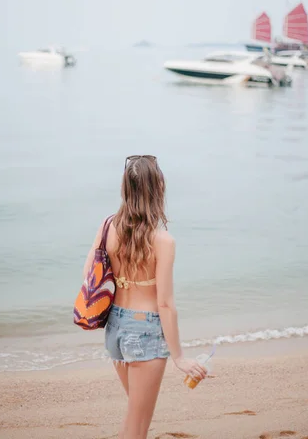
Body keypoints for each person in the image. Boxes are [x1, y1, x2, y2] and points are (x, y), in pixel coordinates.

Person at [83, 155, 207, 439]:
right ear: (157, 189)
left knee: (134, 419)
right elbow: (164, 303)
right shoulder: (163, 241)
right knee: (137, 428)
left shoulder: (107, 226)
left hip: (114, 328)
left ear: (126, 189)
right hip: (145, 333)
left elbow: (89, 275)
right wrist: (179, 357)